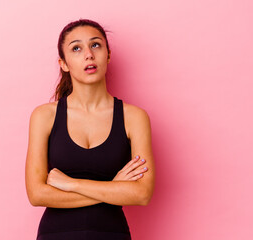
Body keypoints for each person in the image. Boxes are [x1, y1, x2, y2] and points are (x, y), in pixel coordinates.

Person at [25, 18, 155, 240]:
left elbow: (142, 193)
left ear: (108, 54)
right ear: (64, 63)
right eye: (76, 48)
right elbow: (37, 194)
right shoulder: (45, 116)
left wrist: (70, 184)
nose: (88, 54)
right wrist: (113, 188)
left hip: (111, 234)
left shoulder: (134, 117)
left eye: (96, 45)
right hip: (56, 234)